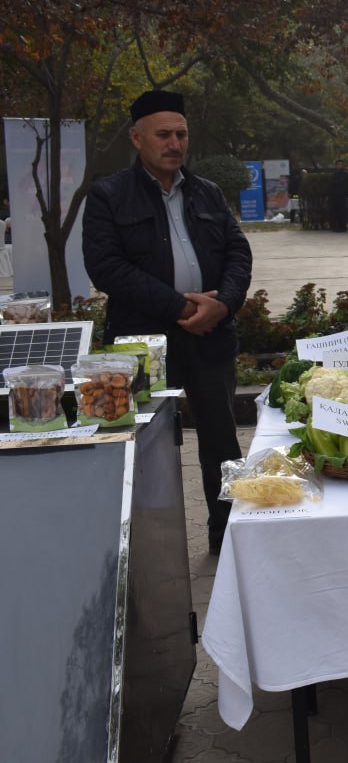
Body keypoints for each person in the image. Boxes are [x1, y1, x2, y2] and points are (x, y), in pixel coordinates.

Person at [83, 90, 252, 555]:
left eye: (181, 134)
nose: (175, 143)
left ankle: (228, 538)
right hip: (143, 342)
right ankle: (145, 552)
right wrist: (181, 309)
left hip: (212, 336)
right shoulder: (108, 196)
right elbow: (107, 267)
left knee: (221, 442)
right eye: (164, 134)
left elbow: (238, 251)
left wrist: (225, 304)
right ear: (137, 138)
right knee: (144, 444)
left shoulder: (208, 192)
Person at [328, 159, 348, 232]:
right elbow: (331, 184)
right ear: (336, 166)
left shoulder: (345, 174)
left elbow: (346, 184)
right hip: (334, 196)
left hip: (342, 196)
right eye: (338, 164)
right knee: (335, 211)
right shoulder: (333, 175)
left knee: (342, 212)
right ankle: (335, 226)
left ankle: (342, 226)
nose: (340, 166)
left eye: (341, 164)